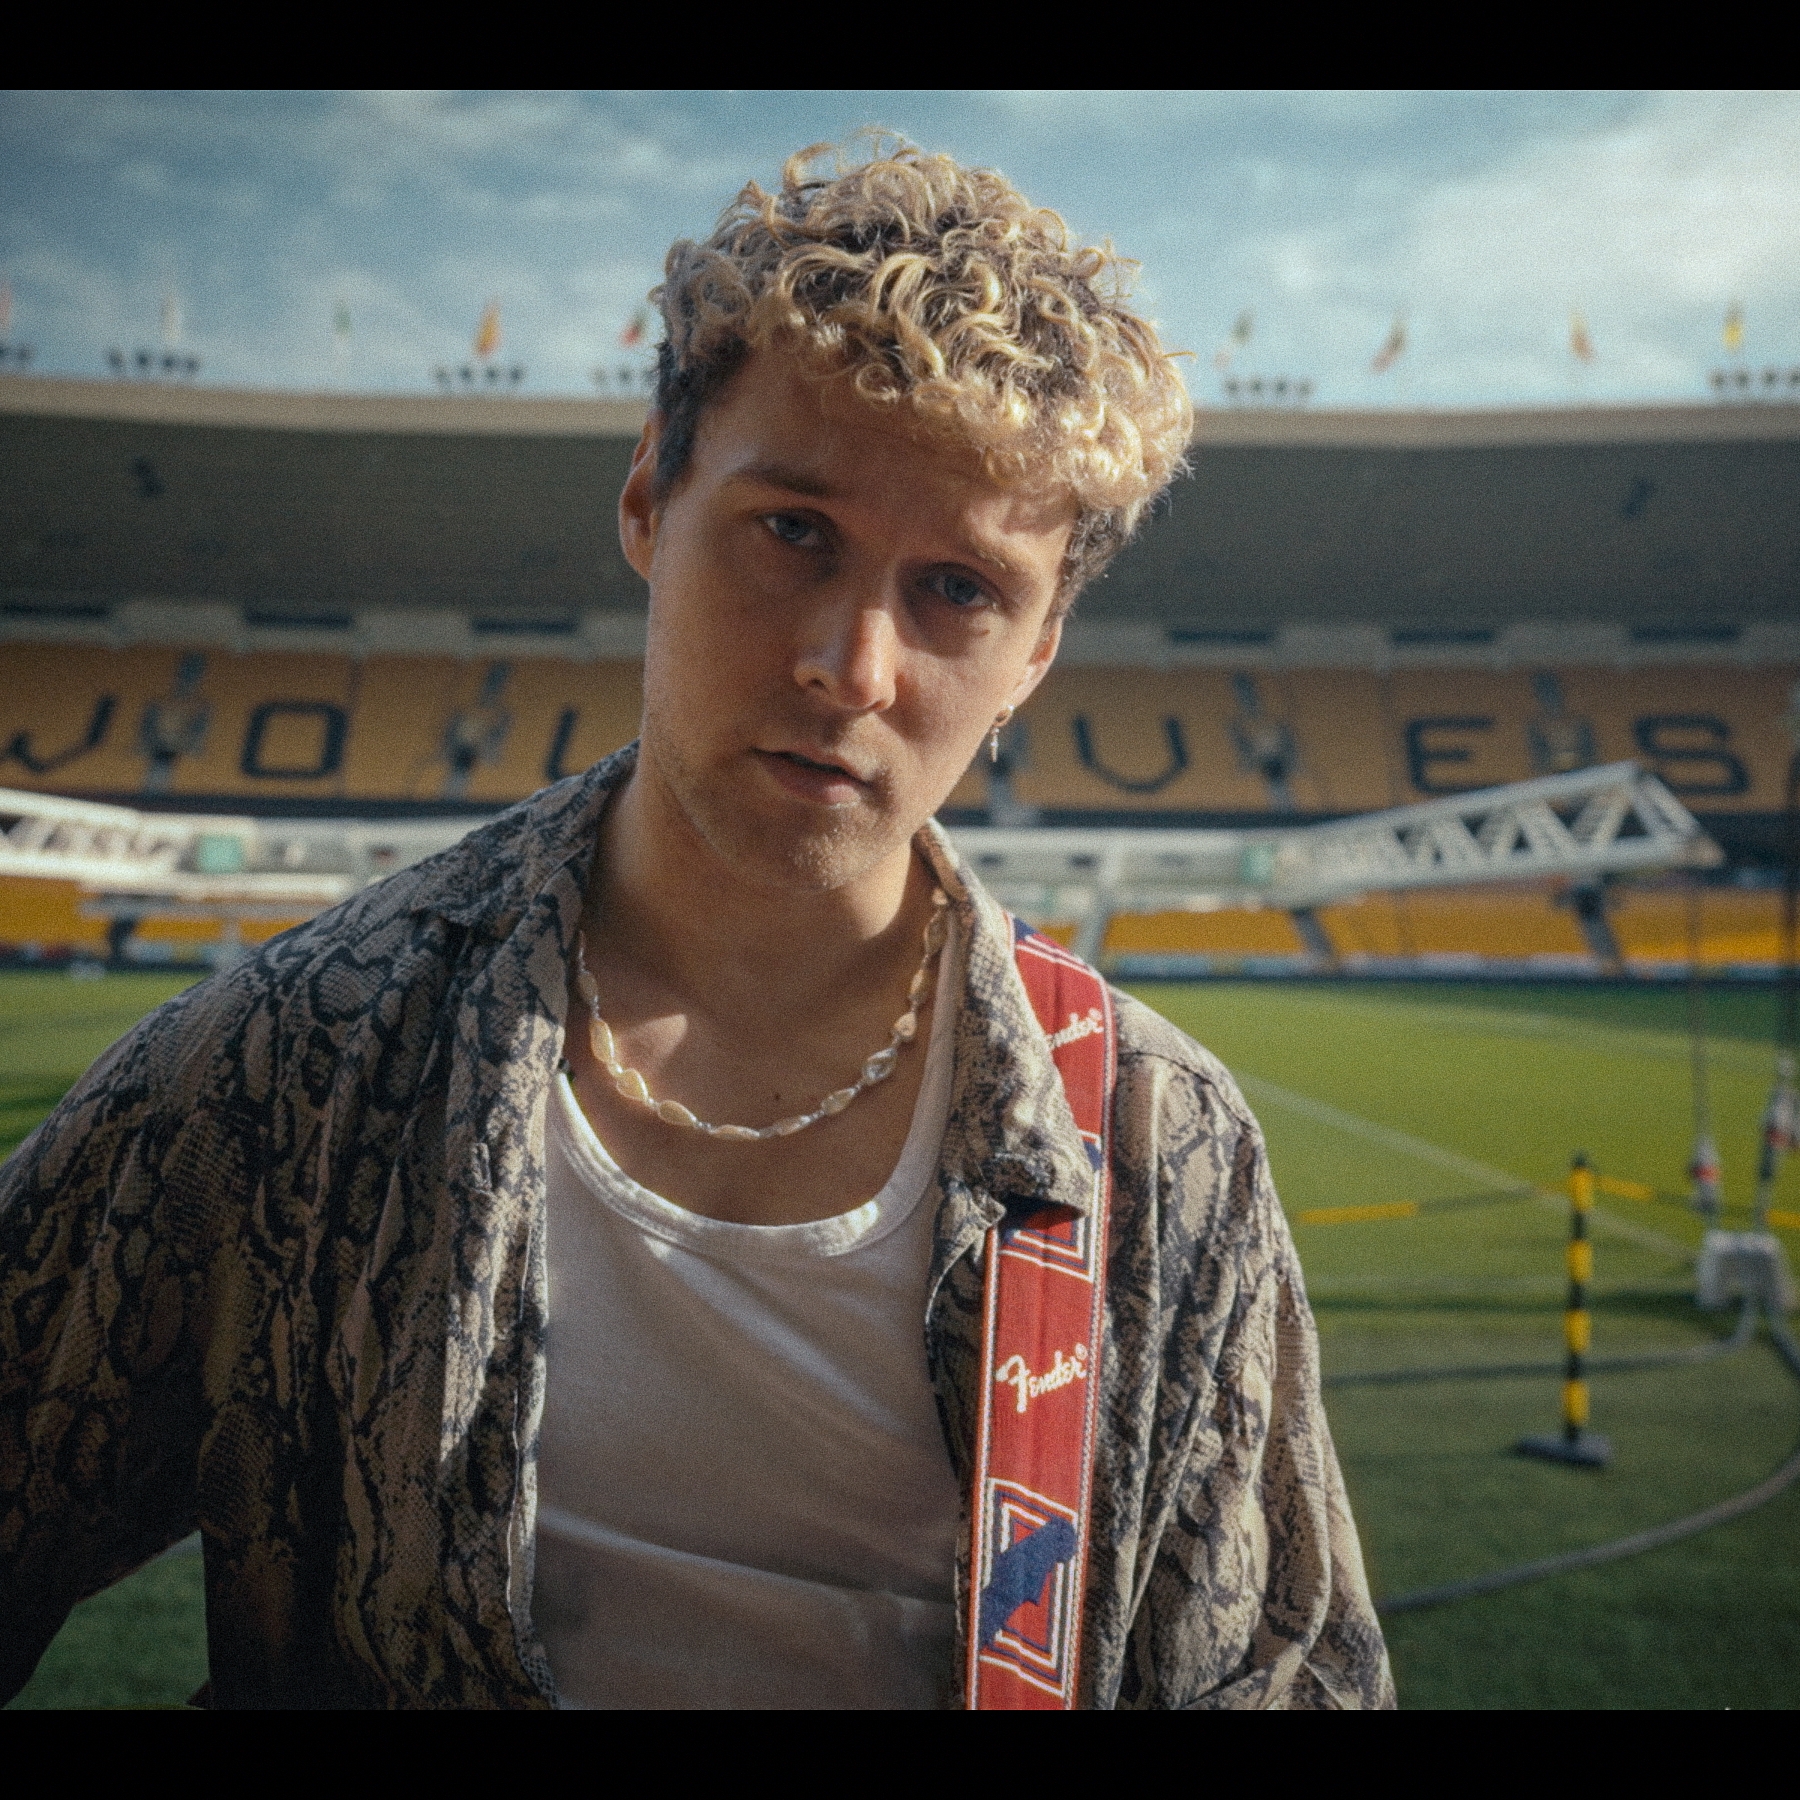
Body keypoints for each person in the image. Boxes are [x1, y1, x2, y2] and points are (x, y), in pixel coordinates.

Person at [0, 138, 1393, 1710]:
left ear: (1038, 654)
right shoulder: (308, 1062)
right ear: (648, 500)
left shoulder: (1156, 1149)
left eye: (958, 589)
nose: (852, 665)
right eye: (793, 530)